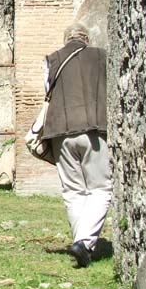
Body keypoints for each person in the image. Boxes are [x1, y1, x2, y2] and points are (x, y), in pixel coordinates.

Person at [42, 22, 111, 268]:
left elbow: (47, 91)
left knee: (73, 191)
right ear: (87, 39)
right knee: (101, 188)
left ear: (66, 40)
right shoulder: (102, 57)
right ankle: (84, 242)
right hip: (94, 130)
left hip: (59, 131)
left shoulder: (52, 60)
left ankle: (81, 245)